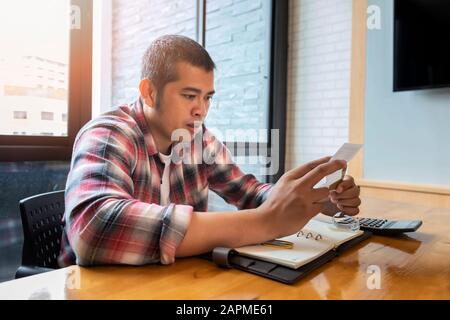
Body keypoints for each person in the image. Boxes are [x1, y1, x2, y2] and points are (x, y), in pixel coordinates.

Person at [58, 35, 361, 267]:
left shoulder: (199, 140)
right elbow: (93, 228)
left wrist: (317, 198)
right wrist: (264, 222)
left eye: (207, 98)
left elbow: (250, 193)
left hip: (171, 283)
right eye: (189, 96)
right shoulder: (110, 133)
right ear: (150, 92)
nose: (200, 110)